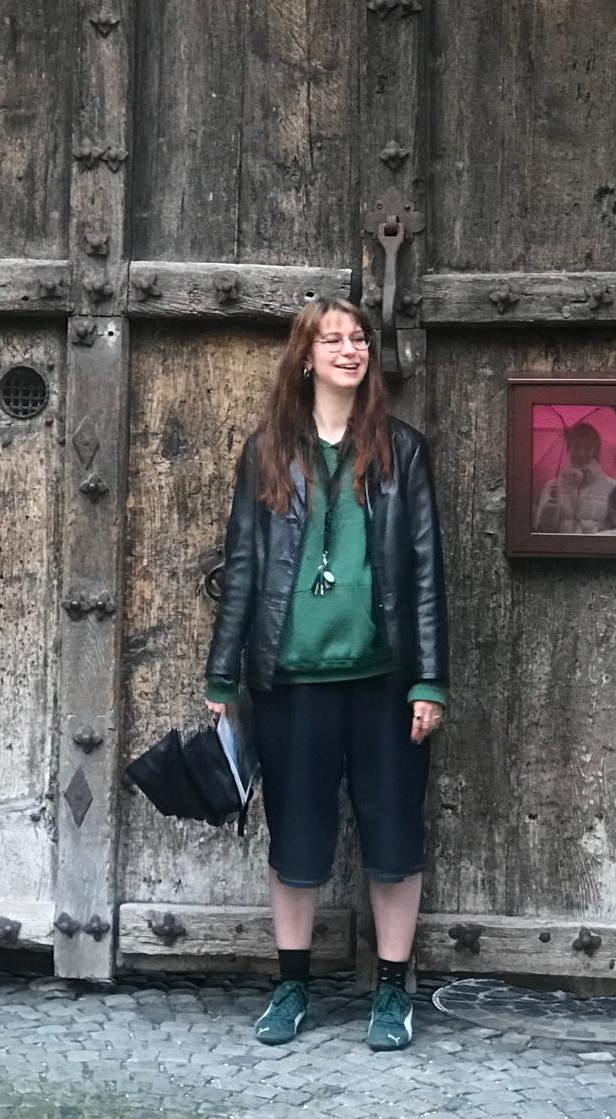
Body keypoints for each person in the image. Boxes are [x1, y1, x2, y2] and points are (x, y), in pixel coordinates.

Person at [204, 297, 449, 1052]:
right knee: (296, 842)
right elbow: (243, 566)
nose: (350, 350)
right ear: (305, 357)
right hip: (292, 680)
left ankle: (392, 989)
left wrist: (429, 681)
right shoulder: (268, 450)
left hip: (384, 680)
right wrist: (221, 676)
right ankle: (292, 985)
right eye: (333, 340)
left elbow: (426, 571)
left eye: (360, 339)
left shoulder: (402, 450)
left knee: (393, 840)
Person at [532, 422, 616, 533]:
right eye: (577, 447)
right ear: (569, 448)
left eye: (587, 448)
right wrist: (550, 508)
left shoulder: (611, 487)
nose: (581, 453)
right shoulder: (552, 486)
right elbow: (542, 532)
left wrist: (599, 539)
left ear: (595, 451)